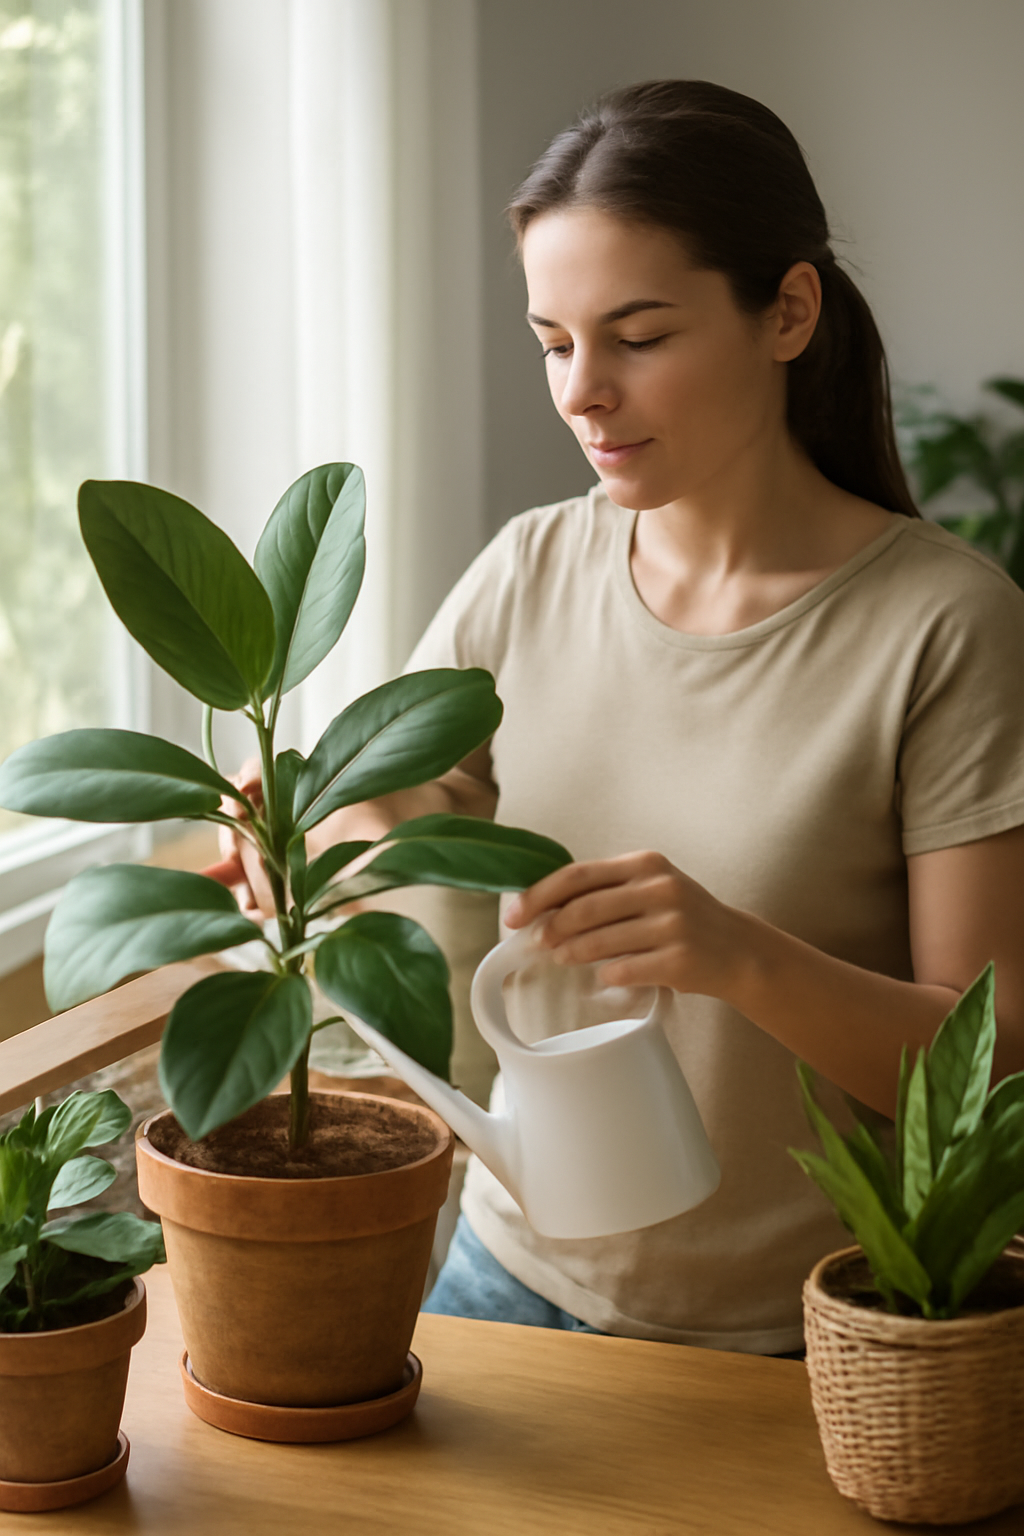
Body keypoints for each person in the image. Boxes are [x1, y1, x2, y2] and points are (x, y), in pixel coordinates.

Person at [228, 80, 1024, 1354]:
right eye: (554, 341)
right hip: (500, 1278)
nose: (581, 393)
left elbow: (992, 1070)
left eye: (638, 336)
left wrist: (739, 957)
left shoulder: (946, 627)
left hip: (803, 1338)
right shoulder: (527, 569)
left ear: (789, 312)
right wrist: (302, 851)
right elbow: (426, 845)